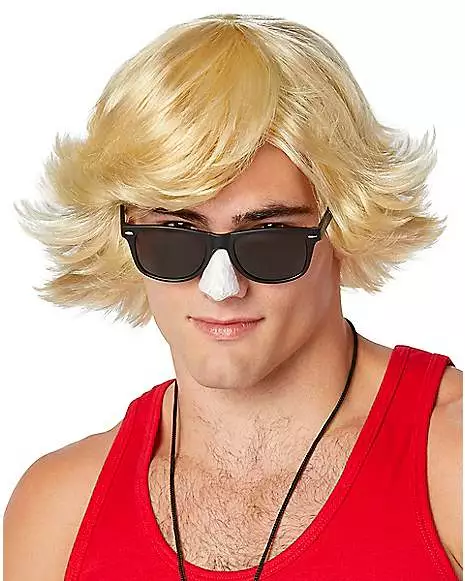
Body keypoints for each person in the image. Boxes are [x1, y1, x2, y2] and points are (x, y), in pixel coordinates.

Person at [4, 12, 462, 581]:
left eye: (268, 239)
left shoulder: (449, 459)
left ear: (345, 227)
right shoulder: (59, 511)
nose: (221, 286)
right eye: (174, 237)